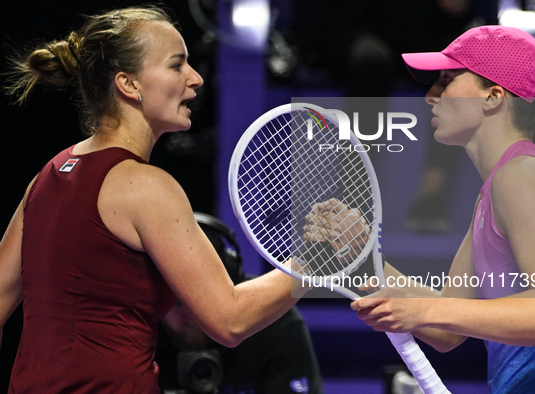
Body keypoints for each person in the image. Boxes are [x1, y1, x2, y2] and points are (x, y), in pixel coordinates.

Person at [0, 6, 308, 393]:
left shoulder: (47, 176)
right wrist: (317, 260)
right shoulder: (145, 186)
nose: (195, 79)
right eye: (177, 65)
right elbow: (230, 319)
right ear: (129, 85)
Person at [308, 25, 535, 393]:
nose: (430, 96)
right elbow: (446, 326)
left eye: (447, 80)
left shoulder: (522, 175)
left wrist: (422, 311)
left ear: (493, 96)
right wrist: (361, 254)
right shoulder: (500, 185)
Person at [156, 213, 323, 394]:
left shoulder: (276, 322)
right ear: (152, 296)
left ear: (231, 283)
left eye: (203, 299)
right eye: (178, 302)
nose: (192, 312)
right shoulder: (135, 324)